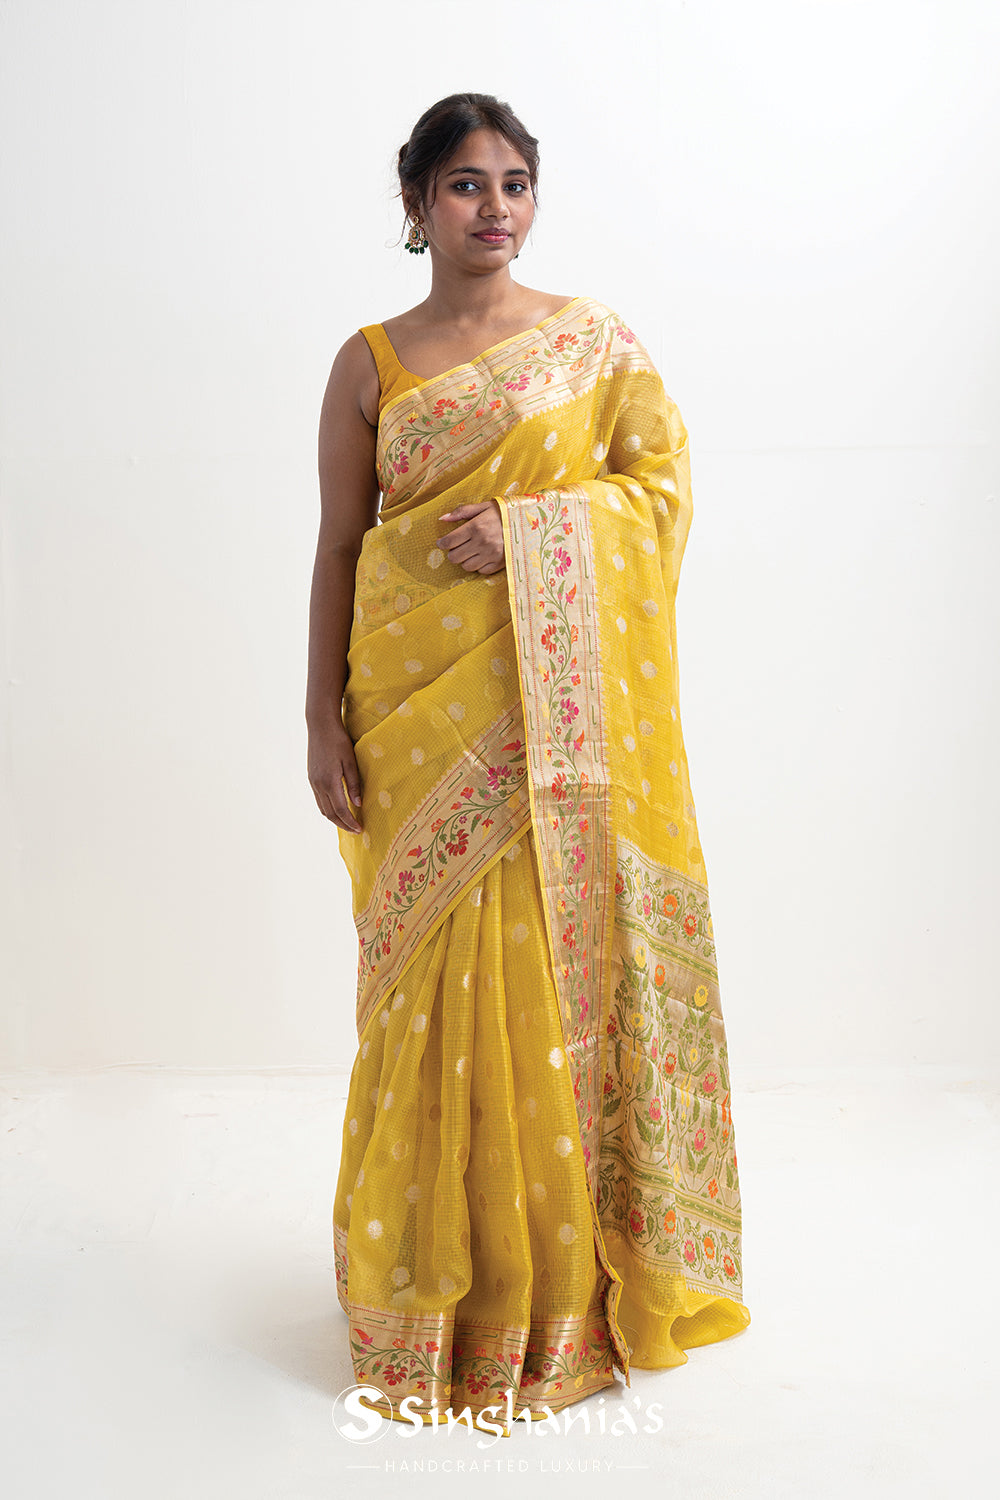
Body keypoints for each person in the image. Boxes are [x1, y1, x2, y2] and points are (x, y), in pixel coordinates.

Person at [306, 92, 751, 1432]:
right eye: (463, 184)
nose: (493, 207)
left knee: (540, 982)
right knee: (424, 992)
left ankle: (550, 1291)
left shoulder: (592, 345)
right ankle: (422, 1275)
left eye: (513, 183)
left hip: (552, 733)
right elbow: (340, 546)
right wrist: (319, 717)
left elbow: (661, 496)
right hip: (412, 713)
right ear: (416, 205)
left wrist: (530, 529)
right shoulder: (369, 363)